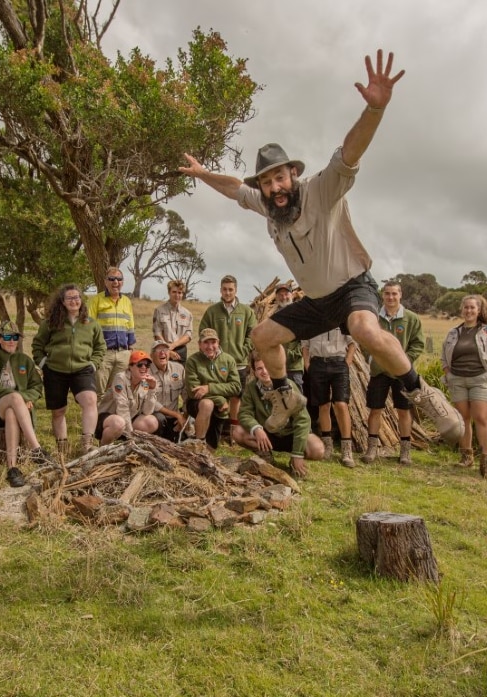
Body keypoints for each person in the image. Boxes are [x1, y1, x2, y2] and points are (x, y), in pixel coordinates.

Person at [179, 50, 463, 446]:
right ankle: (284, 396)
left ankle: (423, 393)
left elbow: (350, 151)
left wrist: (375, 111)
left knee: (364, 327)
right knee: (262, 336)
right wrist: (202, 174)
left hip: (351, 286)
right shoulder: (266, 204)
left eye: (280, 178)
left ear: (292, 173)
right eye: (266, 183)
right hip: (316, 301)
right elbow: (232, 189)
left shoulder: (320, 189)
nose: (275, 189)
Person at [0, 320, 51, 487]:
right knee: (14, 399)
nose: (12, 340)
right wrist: (20, 398)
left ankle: (12, 469)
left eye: (15, 337)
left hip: (14, 410)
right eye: (7, 336)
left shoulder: (24, 360)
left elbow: (37, 387)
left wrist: (26, 398)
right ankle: (37, 450)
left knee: (12, 412)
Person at [32, 284, 106, 458]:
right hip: (55, 371)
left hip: (82, 369)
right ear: (62, 302)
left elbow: (100, 347)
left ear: (82, 300)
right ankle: (62, 448)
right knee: (58, 411)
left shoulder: (91, 323)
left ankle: (86, 445)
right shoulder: (50, 322)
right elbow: (37, 345)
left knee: (90, 400)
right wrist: (44, 363)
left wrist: (93, 364)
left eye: (77, 297)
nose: (74, 301)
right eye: (70, 298)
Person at [441, 295, 487, 479]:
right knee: (463, 419)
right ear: (462, 310)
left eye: (472, 308)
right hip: (458, 379)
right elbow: (444, 355)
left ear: (479, 310)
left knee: (481, 418)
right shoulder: (454, 332)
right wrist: (448, 372)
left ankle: (486, 462)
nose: (468, 311)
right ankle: (466, 456)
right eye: (466, 308)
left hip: (480, 379)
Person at [233, 351, 324, 477]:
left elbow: (303, 420)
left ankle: (294, 461)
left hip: (290, 435)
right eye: (259, 368)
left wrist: (297, 453)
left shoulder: (289, 386)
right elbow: (244, 413)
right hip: (266, 435)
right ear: (254, 371)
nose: (264, 371)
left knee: (318, 449)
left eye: (267, 367)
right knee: (238, 432)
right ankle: (265, 455)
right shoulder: (251, 387)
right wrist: (257, 429)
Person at [362, 281, 424, 465]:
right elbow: (364, 341)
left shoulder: (411, 319)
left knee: (404, 411)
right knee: (375, 409)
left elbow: (418, 344)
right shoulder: (373, 318)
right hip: (379, 371)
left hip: (402, 374)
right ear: (383, 295)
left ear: (400, 295)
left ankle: (405, 451)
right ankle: (372, 448)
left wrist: (404, 362)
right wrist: (372, 359)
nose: (390, 297)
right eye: (387, 293)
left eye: (394, 294)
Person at [199, 274, 257, 426]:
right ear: (220, 290)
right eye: (224, 289)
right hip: (217, 362)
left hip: (239, 363)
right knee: (218, 393)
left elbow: (253, 333)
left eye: (231, 289)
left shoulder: (246, 311)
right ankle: (219, 426)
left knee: (236, 396)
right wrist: (213, 352)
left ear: (236, 290)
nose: (227, 292)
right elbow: (203, 332)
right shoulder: (212, 311)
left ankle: (233, 427)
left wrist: (244, 350)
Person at [302, 329, 357, 467]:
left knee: (341, 404)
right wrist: (307, 363)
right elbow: (305, 344)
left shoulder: (341, 317)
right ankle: (328, 445)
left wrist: (347, 361)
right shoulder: (313, 319)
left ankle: (346, 449)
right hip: (318, 363)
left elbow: (353, 342)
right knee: (323, 405)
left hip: (339, 363)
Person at [184, 328, 241, 450]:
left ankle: (205, 451)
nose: (210, 346)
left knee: (211, 449)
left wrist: (209, 388)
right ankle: (199, 443)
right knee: (207, 404)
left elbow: (236, 387)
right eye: (206, 342)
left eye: (213, 342)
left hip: (220, 410)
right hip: (197, 403)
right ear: (199, 344)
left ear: (218, 343)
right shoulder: (192, 361)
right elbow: (194, 391)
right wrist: (220, 399)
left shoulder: (228, 360)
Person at [88, 266, 136, 397]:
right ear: (105, 281)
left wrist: (131, 349)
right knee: (98, 392)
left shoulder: (126, 301)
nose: (116, 282)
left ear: (122, 282)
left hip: (123, 354)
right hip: (103, 354)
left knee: (118, 391)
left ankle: (114, 417)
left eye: (119, 279)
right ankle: (97, 418)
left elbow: (130, 326)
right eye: (112, 279)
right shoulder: (95, 300)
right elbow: (88, 327)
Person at [95, 350, 159, 445]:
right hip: (108, 420)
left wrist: (152, 389)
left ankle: (126, 446)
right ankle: (103, 448)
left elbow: (147, 411)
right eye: (140, 364)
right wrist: (131, 435)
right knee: (119, 423)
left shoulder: (146, 383)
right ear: (130, 367)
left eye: (147, 365)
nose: (144, 368)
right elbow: (122, 408)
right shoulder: (120, 378)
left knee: (151, 421)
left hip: (127, 422)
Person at [149, 339, 188, 442]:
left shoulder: (178, 368)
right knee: (159, 420)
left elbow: (186, 394)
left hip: (174, 417)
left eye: (165, 349)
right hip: (154, 415)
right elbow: (150, 402)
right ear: (151, 356)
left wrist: (185, 415)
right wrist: (176, 414)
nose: (162, 352)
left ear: (169, 354)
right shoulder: (146, 372)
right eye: (158, 350)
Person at [152, 279, 193, 363]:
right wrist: (168, 351)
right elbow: (157, 333)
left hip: (180, 351)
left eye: (180, 292)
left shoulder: (188, 314)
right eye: (174, 292)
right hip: (163, 350)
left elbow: (188, 336)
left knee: (179, 375)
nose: (177, 295)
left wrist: (173, 345)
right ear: (169, 292)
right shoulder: (159, 310)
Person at [274, 281, 305, 393]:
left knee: (297, 396)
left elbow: (305, 340)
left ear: (292, 295)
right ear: (276, 297)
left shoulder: (300, 314)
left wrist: (291, 355)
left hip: (294, 366)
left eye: (286, 294)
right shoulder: (274, 317)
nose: (284, 297)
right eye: (280, 295)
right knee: (281, 398)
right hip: (278, 367)